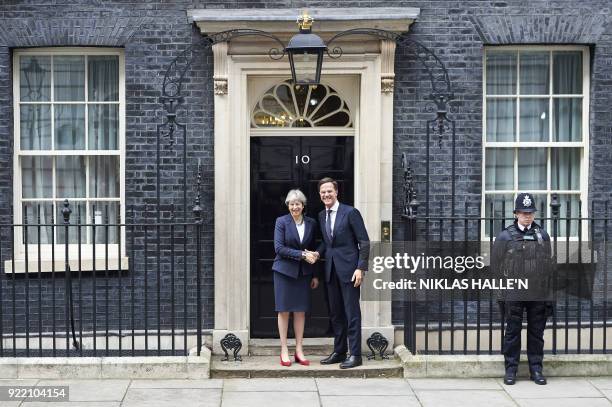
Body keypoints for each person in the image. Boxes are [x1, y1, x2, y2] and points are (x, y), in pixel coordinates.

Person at [492, 192, 553, 386]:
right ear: (516, 213)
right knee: (512, 332)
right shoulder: (504, 236)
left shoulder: (542, 235)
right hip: (515, 291)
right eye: (523, 212)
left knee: (537, 333)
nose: (527, 216)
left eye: (530, 212)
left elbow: (549, 266)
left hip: (537, 292)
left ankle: (536, 370)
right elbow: (495, 267)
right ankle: (511, 370)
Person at [313, 177, 370, 369]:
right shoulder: (322, 215)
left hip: (349, 271)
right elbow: (326, 242)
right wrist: (317, 253)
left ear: (336, 192)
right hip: (330, 271)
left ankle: (355, 354)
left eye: (329, 191)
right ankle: (339, 351)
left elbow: (364, 242)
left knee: (351, 313)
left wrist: (360, 268)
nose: (326, 195)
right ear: (320, 195)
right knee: (336, 314)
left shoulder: (351, 212)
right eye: (323, 192)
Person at [272, 189, 320, 367]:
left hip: (304, 273)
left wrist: (315, 274)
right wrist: (301, 254)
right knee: (284, 311)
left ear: (303, 205)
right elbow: (279, 248)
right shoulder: (281, 222)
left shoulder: (311, 223)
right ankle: (284, 349)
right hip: (284, 272)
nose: (294, 207)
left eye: (297, 203)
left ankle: (299, 349)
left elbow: (314, 248)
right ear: (288, 205)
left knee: (300, 311)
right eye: (291, 204)